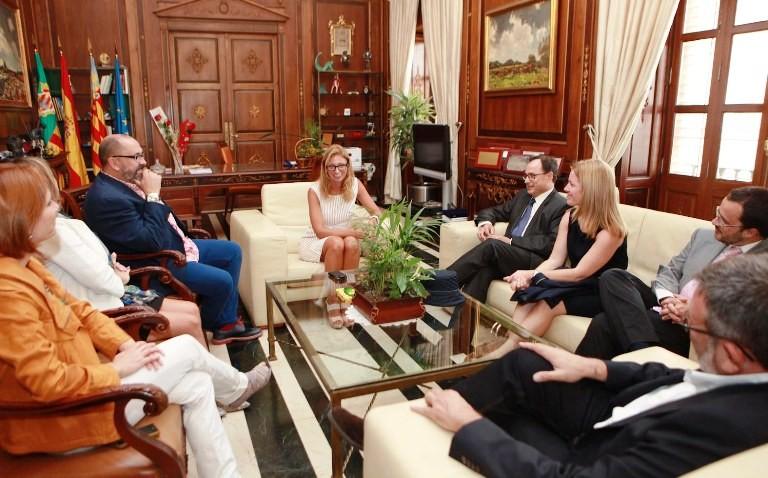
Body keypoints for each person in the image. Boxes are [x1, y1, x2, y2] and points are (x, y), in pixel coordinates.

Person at [331, 254, 768, 477]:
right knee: (524, 361)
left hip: (591, 453)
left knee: (490, 415)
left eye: (692, 325)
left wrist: (469, 425)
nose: (686, 330)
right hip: (614, 411)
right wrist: (595, 369)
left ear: (733, 353)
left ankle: (409, 440)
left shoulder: (720, 425)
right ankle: (416, 421)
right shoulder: (741, 373)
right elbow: (680, 378)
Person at [0, 158, 272, 478]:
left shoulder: (27, 265)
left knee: (198, 383)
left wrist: (124, 345)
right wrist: (116, 369)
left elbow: (84, 313)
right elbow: (49, 383)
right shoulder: (8, 292)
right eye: (49, 203)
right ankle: (238, 386)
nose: (58, 207)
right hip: (68, 418)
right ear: (22, 217)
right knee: (186, 348)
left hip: (87, 388)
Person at [84, 134, 260, 345]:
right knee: (223, 281)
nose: (144, 162)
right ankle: (211, 321)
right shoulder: (106, 198)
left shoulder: (124, 182)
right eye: (136, 157)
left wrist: (182, 234)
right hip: (156, 260)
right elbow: (148, 241)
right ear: (114, 162)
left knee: (232, 251)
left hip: (173, 244)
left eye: (142, 155)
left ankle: (224, 324)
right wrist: (153, 196)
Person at [576, 186, 768, 359]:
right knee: (614, 276)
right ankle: (641, 349)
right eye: (718, 212)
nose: (713, 221)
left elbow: (746, 317)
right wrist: (667, 299)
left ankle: (638, 348)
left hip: (692, 327)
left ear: (750, 232)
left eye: (723, 221)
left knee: (604, 323)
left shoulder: (762, 265)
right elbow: (670, 271)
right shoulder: (704, 236)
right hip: (666, 305)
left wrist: (692, 311)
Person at [483, 159, 627, 359]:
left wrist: (532, 274)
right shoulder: (570, 216)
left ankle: (503, 354)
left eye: (572, 185)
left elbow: (580, 273)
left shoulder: (612, 230)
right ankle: (508, 344)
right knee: (530, 292)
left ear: (591, 190)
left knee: (549, 301)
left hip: (601, 290)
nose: (565, 189)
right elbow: (555, 260)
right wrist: (530, 278)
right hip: (576, 282)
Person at [38, 214, 208, 346]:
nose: (56, 205)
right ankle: (212, 377)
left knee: (192, 309)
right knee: (189, 322)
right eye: (49, 202)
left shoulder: (56, 223)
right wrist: (119, 277)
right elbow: (103, 281)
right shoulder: (54, 231)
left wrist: (111, 266)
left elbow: (92, 265)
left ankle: (211, 375)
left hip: (111, 295)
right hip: (102, 310)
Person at [447, 156, 568, 302]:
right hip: (509, 256)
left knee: (492, 245)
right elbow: (493, 211)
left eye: (532, 176)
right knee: (485, 269)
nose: (526, 180)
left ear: (549, 176)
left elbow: (550, 243)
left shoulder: (561, 205)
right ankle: (465, 315)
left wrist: (510, 241)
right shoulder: (523, 196)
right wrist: (485, 223)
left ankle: (443, 281)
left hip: (535, 261)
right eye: (526, 176)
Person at [299, 144, 380, 271]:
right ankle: (331, 285)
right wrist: (354, 233)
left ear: (347, 166)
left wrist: (372, 222)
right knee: (337, 243)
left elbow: (376, 211)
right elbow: (320, 232)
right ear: (325, 169)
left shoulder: (355, 184)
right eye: (331, 166)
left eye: (341, 165)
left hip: (346, 238)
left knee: (352, 243)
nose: (336, 171)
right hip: (317, 241)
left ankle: (349, 284)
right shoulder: (314, 191)